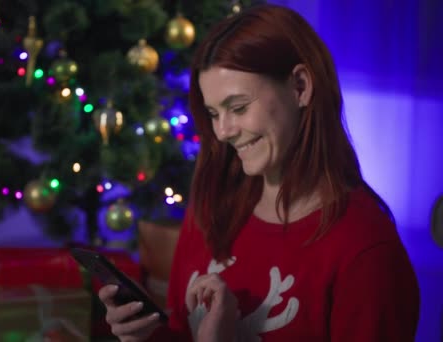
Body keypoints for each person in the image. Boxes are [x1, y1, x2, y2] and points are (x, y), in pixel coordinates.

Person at [98, 4, 420, 341]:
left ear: (300, 86)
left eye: (237, 107)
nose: (222, 132)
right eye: (212, 113)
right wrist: (146, 335)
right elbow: (183, 331)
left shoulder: (365, 252)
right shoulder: (212, 207)